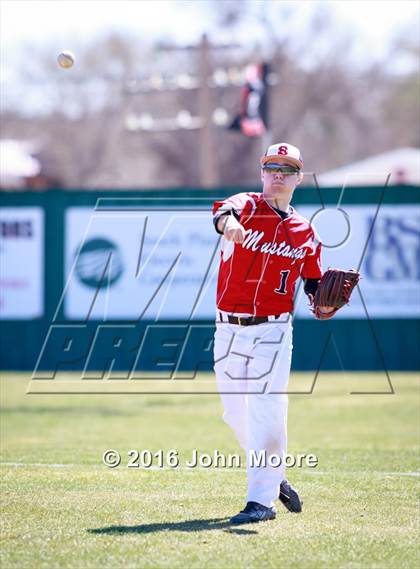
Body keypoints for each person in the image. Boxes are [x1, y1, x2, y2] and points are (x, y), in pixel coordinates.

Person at [212, 142, 329, 525]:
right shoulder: (246, 205)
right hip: (228, 327)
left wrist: (323, 303)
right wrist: (229, 225)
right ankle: (274, 475)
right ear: (262, 173)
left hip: (274, 331)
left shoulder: (305, 232)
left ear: (299, 177)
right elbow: (224, 212)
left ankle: (261, 502)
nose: (278, 174)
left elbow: (313, 284)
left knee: (268, 411)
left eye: (287, 168)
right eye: (272, 167)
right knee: (234, 414)